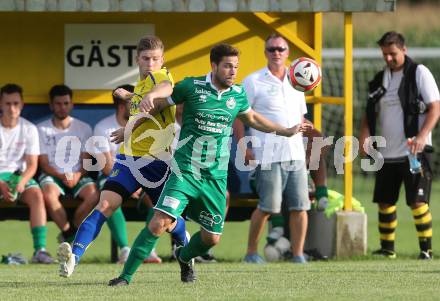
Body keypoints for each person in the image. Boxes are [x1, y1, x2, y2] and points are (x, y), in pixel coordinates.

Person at [108, 43, 312, 286]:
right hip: (184, 172)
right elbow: (159, 106)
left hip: (215, 178)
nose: (232, 71)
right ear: (214, 65)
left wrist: (286, 130)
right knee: (158, 222)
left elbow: (254, 118)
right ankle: (125, 277)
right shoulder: (191, 86)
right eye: (227, 66)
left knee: (212, 238)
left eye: (235, 67)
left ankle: (183, 257)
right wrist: (131, 125)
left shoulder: (237, 95)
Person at [56, 35, 189, 277]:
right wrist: (131, 97)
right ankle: (73, 258)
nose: (151, 63)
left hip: (158, 163)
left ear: (163, 60)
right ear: (137, 59)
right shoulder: (139, 88)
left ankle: (186, 248)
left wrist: (147, 100)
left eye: (156, 58)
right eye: (146, 58)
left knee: (168, 221)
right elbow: (142, 105)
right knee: (105, 204)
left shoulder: (162, 77)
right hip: (128, 160)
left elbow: (165, 88)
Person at [359, 31, 440, 259]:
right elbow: (369, 112)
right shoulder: (378, 80)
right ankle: (387, 250)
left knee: (417, 201)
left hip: (414, 151)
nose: (388, 59)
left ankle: (426, 250)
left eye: (392, 54)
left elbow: (435, 107)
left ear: (404, 50)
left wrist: (423, 135)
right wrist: (365, 134)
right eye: (384, 54)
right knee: (384, 202)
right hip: (385, 152)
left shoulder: (419, 72)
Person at [242, 33, 311, 264]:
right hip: (267, 154)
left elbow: (300, 116)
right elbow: (239, 117)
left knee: (300, 207)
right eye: (271, 49)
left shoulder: (298, 80)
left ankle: (298, 254)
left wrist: (305, 131)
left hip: (296, 154)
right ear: (265, 52)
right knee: (268, 207)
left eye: (280, 49)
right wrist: (245, 146)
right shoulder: (253, 80)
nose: (276, 53)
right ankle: (251, 253)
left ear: (287, 52)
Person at [37, 84, 99, 244]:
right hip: (53, 174)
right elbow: (43, 163)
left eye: (66, 103)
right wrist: (61, 175)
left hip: (78, 174)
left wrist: (77, 174)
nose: (62, 107)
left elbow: (87, 162)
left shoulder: (83, 128)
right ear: (51, 105)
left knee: (94, 195)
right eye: (58, 104)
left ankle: (70, 234)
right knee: (48, 194)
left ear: (71, 104)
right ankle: (68, 233)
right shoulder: (41, 129)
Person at [0, 83, 53, 263]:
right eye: (7, 104)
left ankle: (40, 251)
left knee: (37, 195)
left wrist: (21, 183)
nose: (12, 108)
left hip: (19, 177)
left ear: (22, 104)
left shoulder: (29, 128)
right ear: (1, 104)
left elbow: (32, 165)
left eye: (16, 103)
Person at [92, 84, 134, 264]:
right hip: (114, 176)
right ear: (122, 106)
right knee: (108, 197)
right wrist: (130, 183)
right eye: (133, 103)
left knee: (158, 192)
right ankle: (125, 249)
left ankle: (150, 250)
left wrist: (138, 181)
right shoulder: (103, 127)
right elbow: (107, 166)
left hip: (141, 175)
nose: (137, 106)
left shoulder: (144, 124)